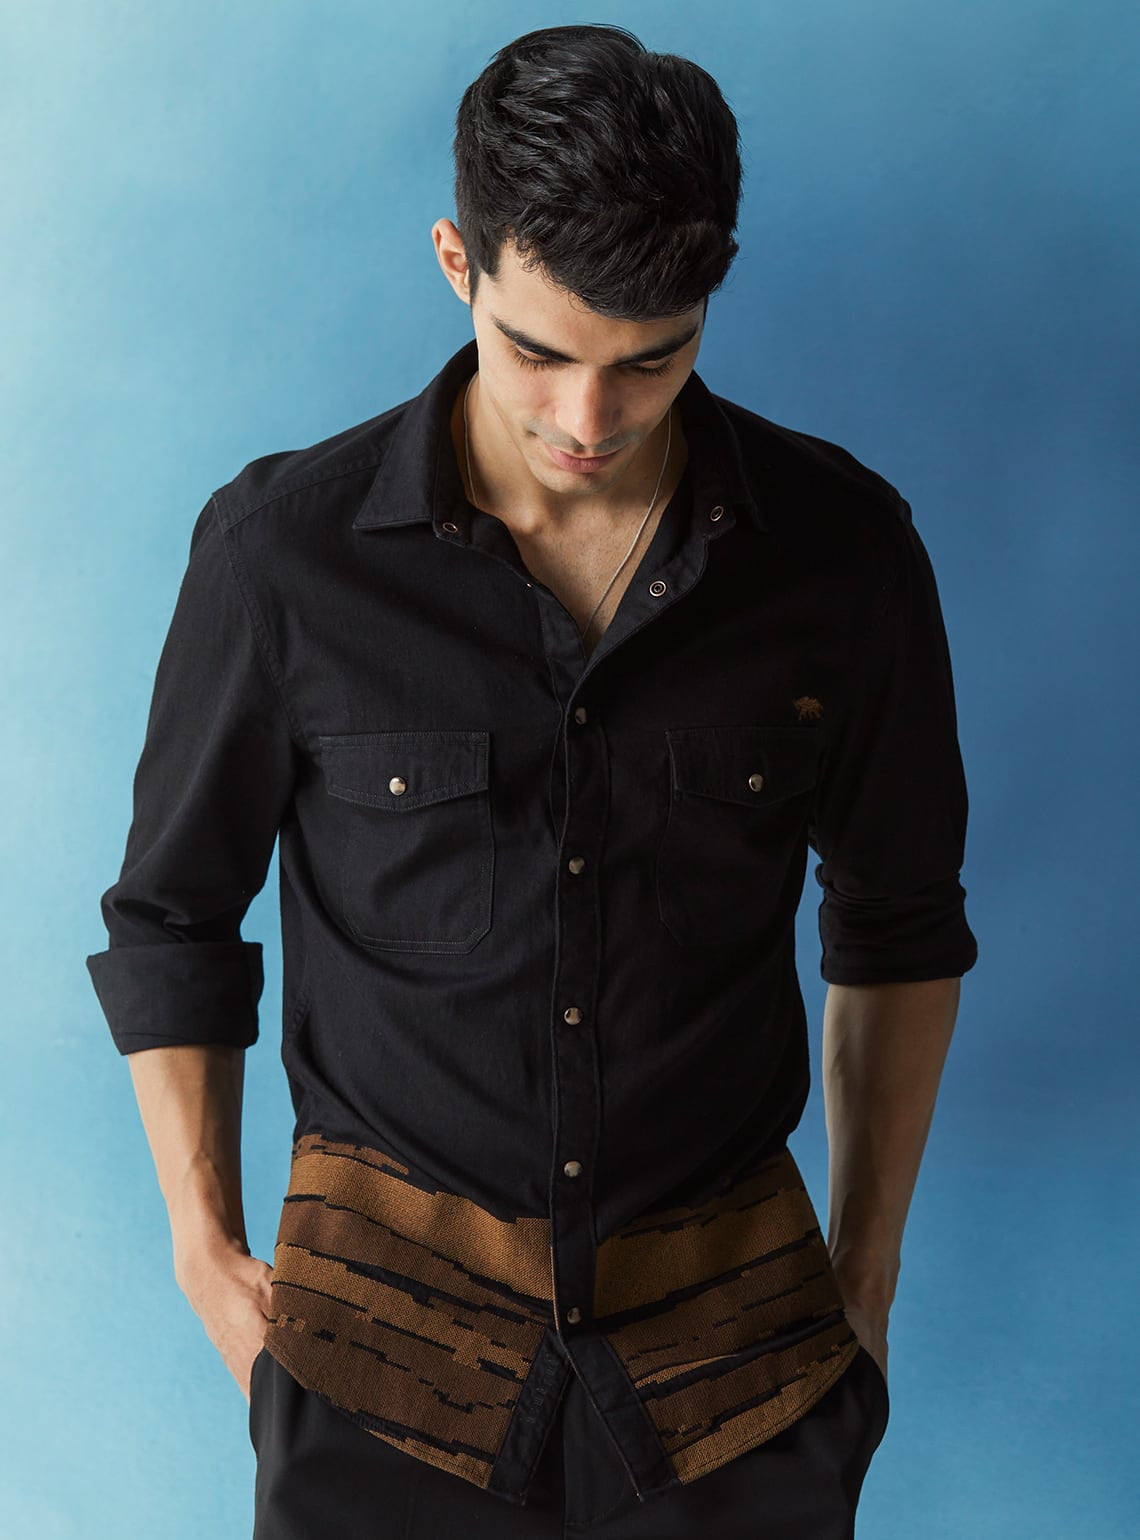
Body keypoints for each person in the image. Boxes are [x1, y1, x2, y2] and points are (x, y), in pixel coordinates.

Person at [85, 22, 978, 1538]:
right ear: (459, 265)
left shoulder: (842, 552)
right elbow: (172, 917)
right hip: (380, 1358)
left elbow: (899, 922)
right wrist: (203, 1252)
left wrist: (868, 1278)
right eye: (540, 352)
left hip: (738, 1366)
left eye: (652, 361)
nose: (589, 421)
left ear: (711, 300)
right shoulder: (283, 554)